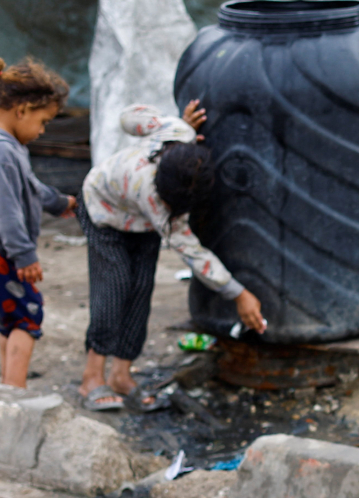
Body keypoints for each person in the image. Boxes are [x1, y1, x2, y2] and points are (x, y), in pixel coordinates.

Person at [77, 101, 266, 411]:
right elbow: (193, 253)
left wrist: (178, 127)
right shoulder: (154, 195)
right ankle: (92, 378)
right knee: (114, 287)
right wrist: (238, 293)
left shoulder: (181, 142)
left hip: (144, 224)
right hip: (103, 211)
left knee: (140, 291)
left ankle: (121, 375)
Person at [0, 58, 76, 389]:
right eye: (42, 121)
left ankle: (5, 389)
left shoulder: (12, 149)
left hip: (7, 254)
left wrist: (58, 202)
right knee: (28, 315)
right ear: (22, 109)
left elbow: (28, 187)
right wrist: (25, 254)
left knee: (7, 319)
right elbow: (6, 210)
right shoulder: (3, 152)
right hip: (7, 255)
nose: (43, 130)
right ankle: (14, 397)